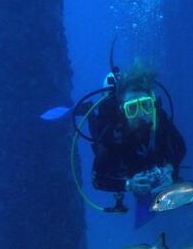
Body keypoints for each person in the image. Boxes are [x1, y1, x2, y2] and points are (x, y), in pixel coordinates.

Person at [75, 58, 186, 226]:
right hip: (124, 164)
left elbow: (180, 148)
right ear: (122, 110)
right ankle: (90, 114)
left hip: (148, 161)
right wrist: (127, 184)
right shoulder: (113, 132)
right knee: (97, 129)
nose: (141, 114)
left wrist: (170, 169)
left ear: (153, 104)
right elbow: (97, 179)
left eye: (146, 106)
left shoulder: (159, 119)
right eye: (132, 108)